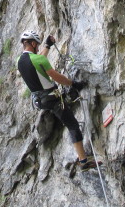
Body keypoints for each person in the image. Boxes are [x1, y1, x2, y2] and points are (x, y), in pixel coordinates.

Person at [16, 30, 100, 171]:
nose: (38, 47)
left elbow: (37, 62)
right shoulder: (39, 59)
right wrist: (73, 84)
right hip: (52, 99)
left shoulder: (19, 61)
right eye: (36, 44)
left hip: (39, 101)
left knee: (65, 113)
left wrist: (47, 46)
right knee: (72, 124)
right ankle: (84, 161)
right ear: (31, 43)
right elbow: (57, 77)